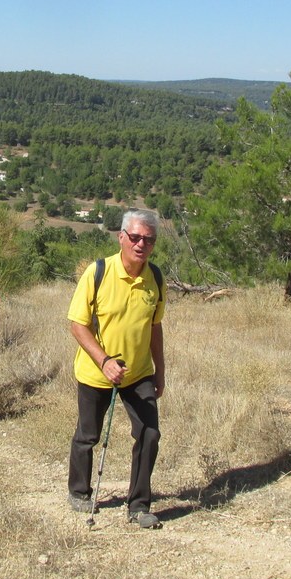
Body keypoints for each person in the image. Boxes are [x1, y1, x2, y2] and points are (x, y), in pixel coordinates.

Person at [66, 209, 167, 529]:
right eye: (135, 237)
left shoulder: (156, 278)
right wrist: (104, 360)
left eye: (148, 240)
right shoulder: (98, 272)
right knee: (88, 435)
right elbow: (77, 325)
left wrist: (159, 371)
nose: (141, 245)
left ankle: (138, 505)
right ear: (121, 237)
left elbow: (155, 327)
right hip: (96, 372)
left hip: (138, 373)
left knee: (149, 434)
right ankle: (79, 491)